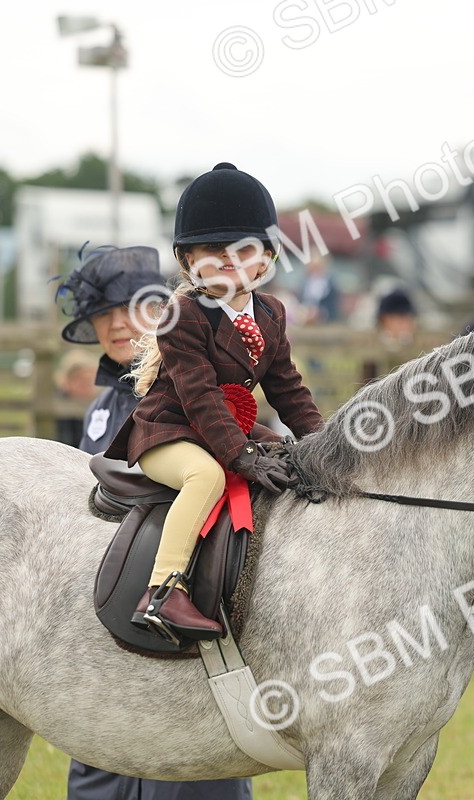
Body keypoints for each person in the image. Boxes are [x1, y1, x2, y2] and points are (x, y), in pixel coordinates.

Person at [56, 244, 254, 799]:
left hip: (188, 588)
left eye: (131, 308)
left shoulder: (190, 377)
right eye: (103, 313)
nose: (117, 324)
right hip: (104, 596)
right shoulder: (101, 406)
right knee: (99, 746)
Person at [104, 162, 324, 641]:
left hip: (226, 431)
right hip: (170, 431)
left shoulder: (272, 313)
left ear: (266, 259)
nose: (229, 259)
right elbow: (199, 395)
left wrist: (325, 444)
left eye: (243, 249)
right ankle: (162, 592)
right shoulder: (182, 314)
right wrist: (241, 455)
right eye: (213, 250)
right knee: (205, 477)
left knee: (291, 462)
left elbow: (287, 388)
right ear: (188, 261)